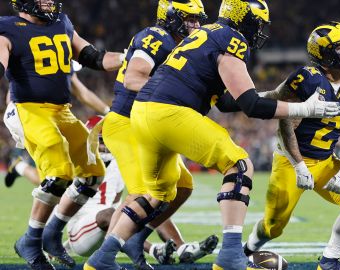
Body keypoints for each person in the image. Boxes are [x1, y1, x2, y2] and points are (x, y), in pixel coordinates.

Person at [85, 0, 340, 269]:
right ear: (243, 19)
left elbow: (228, 102)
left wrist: (275, 96)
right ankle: (231, 254)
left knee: (157, 193)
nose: (259, 30)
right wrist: (303, 108)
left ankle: (102, 258)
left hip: (142, 113)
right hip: (170, 112)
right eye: (257, 23)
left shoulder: (203, 34)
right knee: (239, 165)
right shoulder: (232, 39)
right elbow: (251, 106)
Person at [0, 0, 123, 269]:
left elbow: (94, 57)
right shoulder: (6, 28)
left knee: (93, 173)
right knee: (59, 173)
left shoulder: (62, 23)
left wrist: (131, 57)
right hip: (28, 109)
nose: (49, 2)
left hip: (61, 110)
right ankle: (30, 241)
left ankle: (52, 232)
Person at [243, 22, 340, 270]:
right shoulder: (307, 79)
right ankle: (243, 252)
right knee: (273, 226)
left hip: (325, 160)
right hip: (291, 161)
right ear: (324, 54)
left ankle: (330, 260)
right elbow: (286, 126)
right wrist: (299, 166)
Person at [98, 0, 210, 269]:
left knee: (182, 185)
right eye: (189, 19)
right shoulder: (156, 36)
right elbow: (133, 79)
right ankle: (105, 257)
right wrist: (175, 93)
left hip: (147, 125)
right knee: (140, 193)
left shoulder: (182, 46)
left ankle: (137, 236)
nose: (195, 25)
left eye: (198, 19)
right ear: (170, 17)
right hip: (126, 122)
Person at [65, 116, 218, 265]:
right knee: (114, 212)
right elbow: (60, 200)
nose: (104, 146)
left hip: (108, 229)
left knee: (150, 204)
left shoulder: (119, 163)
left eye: (105, 141)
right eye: (100, 141)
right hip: (80, 232)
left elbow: (125, 202)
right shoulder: (77, 163)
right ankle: (153, 250)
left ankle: (182, 248)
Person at [4, 60, 110, 188]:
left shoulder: (62, 62)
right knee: (54, 179)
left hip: (54, 121)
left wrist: (109, 111)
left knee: (60, 178)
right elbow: (11, 98)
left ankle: (19, 166)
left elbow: (83, 93)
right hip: (31, 120)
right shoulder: (31, 63)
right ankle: (21, 167)